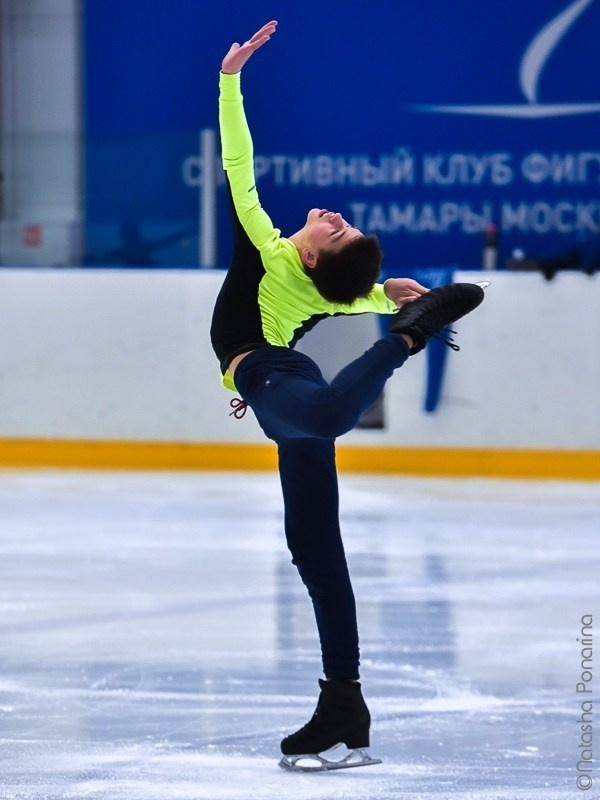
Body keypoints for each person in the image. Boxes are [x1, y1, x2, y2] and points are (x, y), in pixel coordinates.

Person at [210, 21, 484, 771]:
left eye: (335, 228)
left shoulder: (269, 245)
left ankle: (408, 340)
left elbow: (240, 160)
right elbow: (346, 291)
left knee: (330, 414)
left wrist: (230, 82)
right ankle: (345, 708)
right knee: (315, 552)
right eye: (340, 222)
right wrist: (379, 295)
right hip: (280, 390)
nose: (332, 215)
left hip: (276, 380)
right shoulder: (324, 284)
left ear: (306, 250)